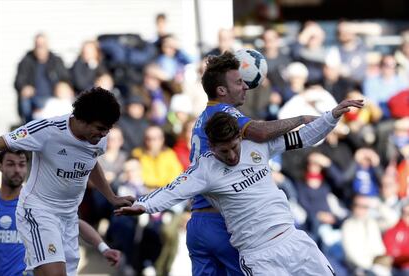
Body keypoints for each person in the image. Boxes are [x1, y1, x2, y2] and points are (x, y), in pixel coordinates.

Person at [115, 99, 364, 275]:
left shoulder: (258, 146)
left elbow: (305, 136)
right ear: (212, 146)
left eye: (235, 146)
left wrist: (332, 115)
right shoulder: (204, 170)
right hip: (259, 256)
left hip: (294, 240)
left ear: (240, 138)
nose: (233, 155)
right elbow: (171, 191)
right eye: (224, 151)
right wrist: (141, 206)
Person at [184, 52, 320, 276]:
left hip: (198, 222)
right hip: (222, 223)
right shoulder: (223, 113)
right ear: (222, 90)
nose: (245, 87)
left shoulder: (202, 117)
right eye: (238, 82)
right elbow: (260, 132)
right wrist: (301, 119)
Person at [0, 87, 133, 276]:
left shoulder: (99, 140)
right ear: (83, 119)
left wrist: (111, 197)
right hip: (39, 211)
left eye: (108, 129)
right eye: (101, 128)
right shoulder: (47, 130)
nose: (104, 134)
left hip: (69, 218)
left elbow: (91, 163)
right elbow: (1, 142)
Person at [0, 149, 122, 275]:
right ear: (0, 166)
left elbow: (75, 223)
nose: (17, 170)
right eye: (11, 164)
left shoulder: (37, 200)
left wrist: (104, 248)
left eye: (21, 164)